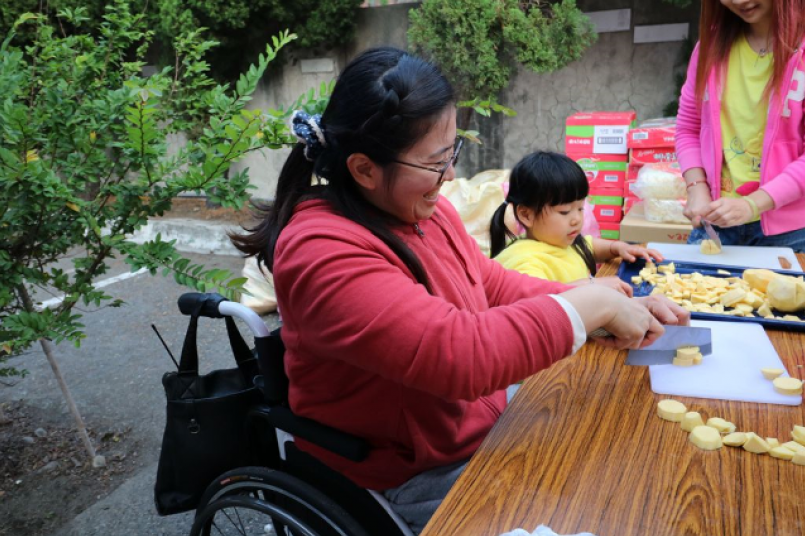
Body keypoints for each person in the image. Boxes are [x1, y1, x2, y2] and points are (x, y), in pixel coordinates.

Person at [231, 47, 688, 534]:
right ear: (364, 168)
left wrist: (604, 301)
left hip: (474, 423)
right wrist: (587, 304)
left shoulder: (423, 211)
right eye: (434, 162)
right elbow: (460, 357)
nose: (449, 176)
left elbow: (487, 282)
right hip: (405, 470)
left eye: (452, 154)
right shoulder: (321, 250)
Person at [677, 0, 805, 251]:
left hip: (791, 232)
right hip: (717, 223)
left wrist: (752, 205)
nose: (737, 1)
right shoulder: (710, 47)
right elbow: (688, 128)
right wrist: (697, 188)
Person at [489, 151, 663, 295]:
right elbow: (543, 303)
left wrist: (618, 248)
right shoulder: (524, 263)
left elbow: (589, 245)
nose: (577, 219)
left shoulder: (560, 241)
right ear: (527, 215)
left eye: (580, 208)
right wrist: (592, 286)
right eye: (565, 212)